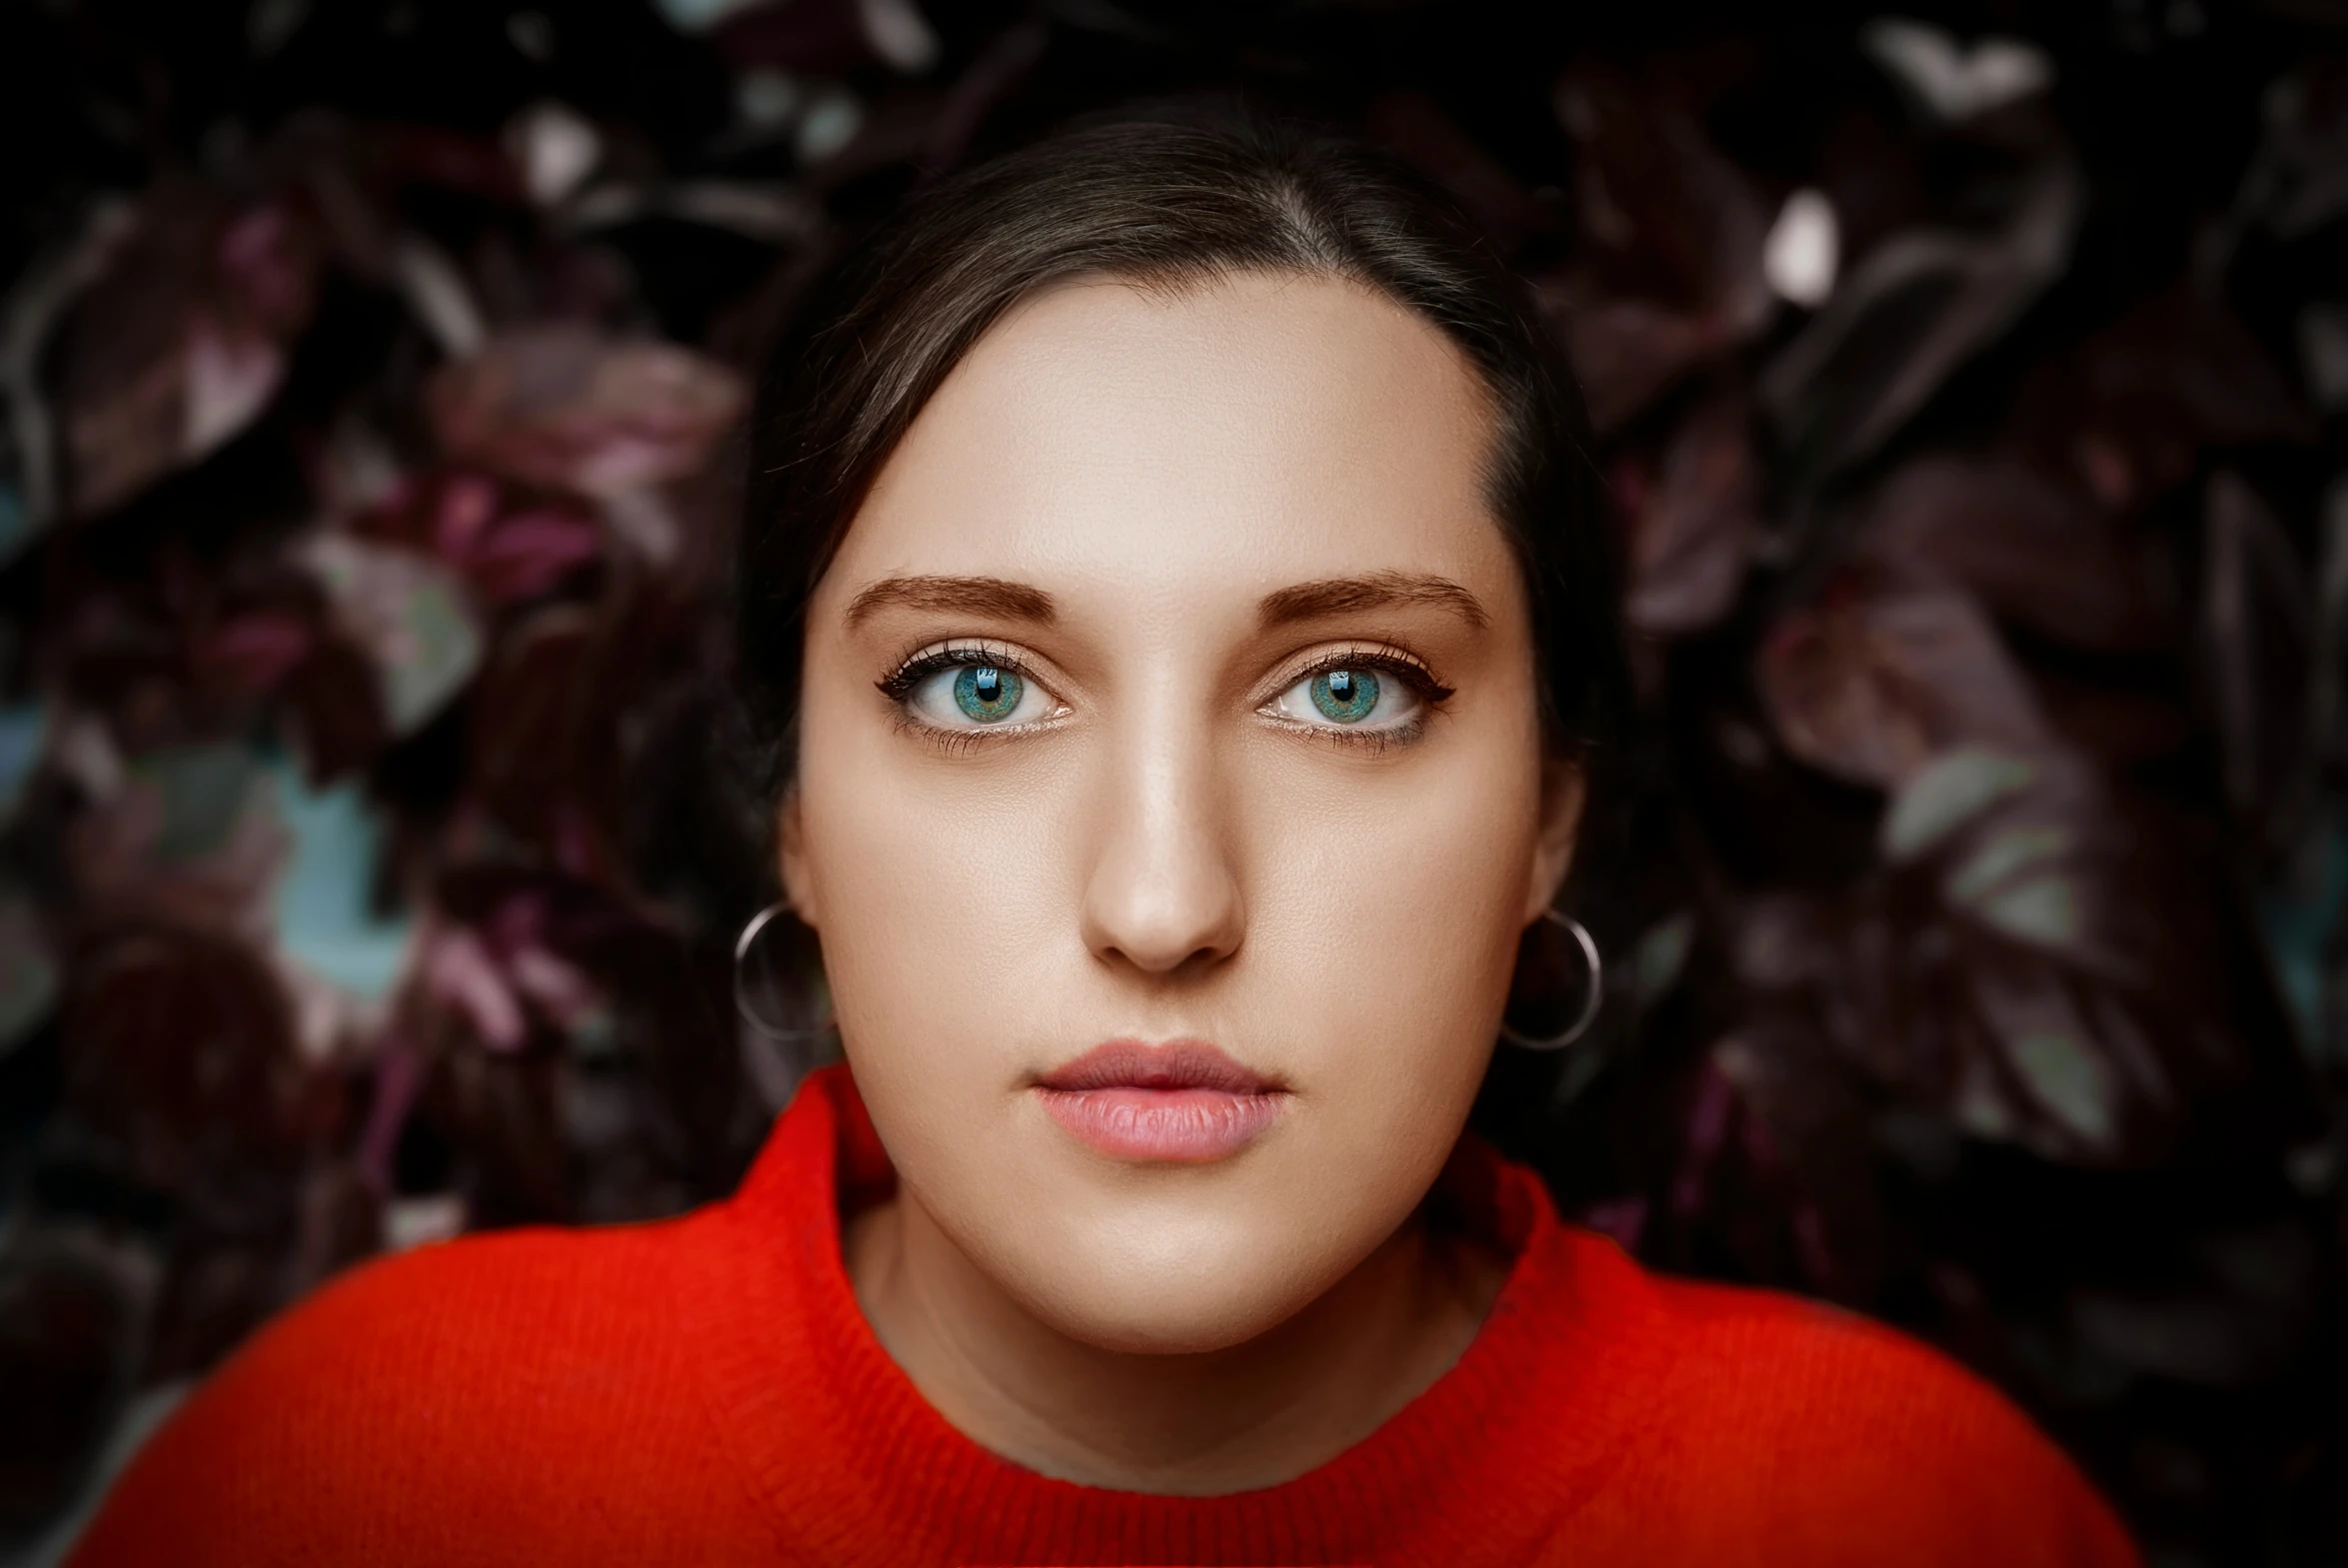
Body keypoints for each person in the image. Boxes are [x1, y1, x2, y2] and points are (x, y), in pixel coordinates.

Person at [68, 109, 2137, 1567]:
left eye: (1348, 690)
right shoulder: (373, 1483)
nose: (1163, 905)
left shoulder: (1900, 1512)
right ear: (795, 809)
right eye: (977, 685)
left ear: (1545, 825)